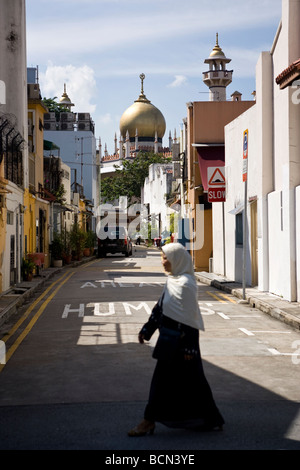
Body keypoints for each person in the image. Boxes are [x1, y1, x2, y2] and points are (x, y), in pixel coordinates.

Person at [128, 242, 224, 437]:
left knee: (164, 382)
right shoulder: (172, 280)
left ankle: (148, 421)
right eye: (162, 258)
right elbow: (160, 308)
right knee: (193, 383)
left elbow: (190, 319)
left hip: (181, 344)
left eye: (166, 258)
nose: (163, 262)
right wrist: (147, 330)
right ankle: (211, 418)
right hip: (168, 340)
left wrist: (189, 349)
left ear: (177, 260)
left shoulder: (187, 284)